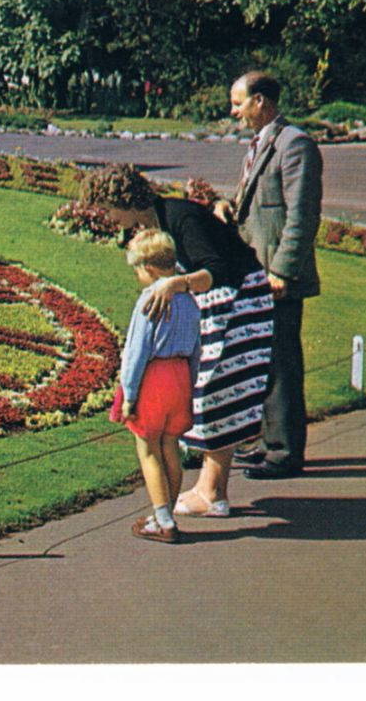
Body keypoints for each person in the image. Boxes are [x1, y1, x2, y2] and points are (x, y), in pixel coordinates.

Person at [79, 163, 273, 518]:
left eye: (107, 209)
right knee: (208, 391)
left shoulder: (179, 216)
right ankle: (211, 488)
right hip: (219, 303)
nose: (107, 217)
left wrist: (174, 284)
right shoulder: (159, 222)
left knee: (217, 392)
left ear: (122, 200)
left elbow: (216, 268)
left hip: (241, 301)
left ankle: (213, 492)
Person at [215, 71, 323, 479]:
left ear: (260, 101)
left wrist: (281, 270)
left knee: (280, 364)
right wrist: (229, 207)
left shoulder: (295, 145)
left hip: (277, 277)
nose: (233, 110)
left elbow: (302, 215)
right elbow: (262, 205)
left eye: (238, 102)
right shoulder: (264, 143)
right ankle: (266, 440)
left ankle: (284, 453)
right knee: (261, 360)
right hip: (257, 273)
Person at [113, 229, 203, 544]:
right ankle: (164, 512)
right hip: (180, 378)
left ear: (148, 268)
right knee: (170, 447)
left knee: (148, 449)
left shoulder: (149, 300)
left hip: (153, 378)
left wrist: (129, 395)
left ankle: (163, 521)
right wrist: (189, 385)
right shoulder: (189, 301)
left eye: (137, 269)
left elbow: (137, 352)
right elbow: (196, 349)